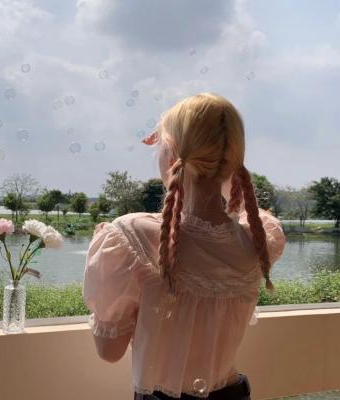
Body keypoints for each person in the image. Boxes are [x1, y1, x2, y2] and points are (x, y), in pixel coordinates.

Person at [83, 93, 286, 399]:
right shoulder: (257, 242)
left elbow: (109, 351)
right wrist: (221, 162)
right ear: (232, 162)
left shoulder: (133, 236)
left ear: (171, 156)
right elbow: (251, 212)